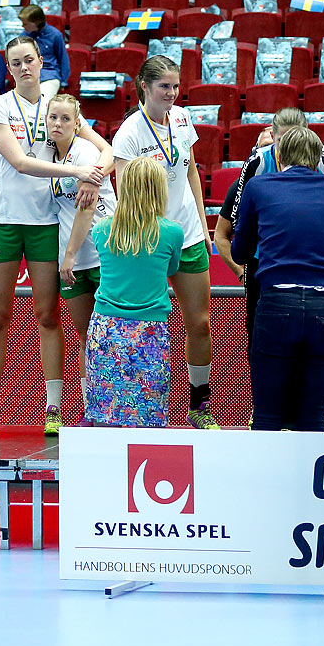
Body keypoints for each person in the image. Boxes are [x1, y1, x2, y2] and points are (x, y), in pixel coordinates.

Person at [0, 36, 113, 436]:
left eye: (30, 60)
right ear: (8, 68)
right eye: (16, 63)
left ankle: (54, 408)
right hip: (2, 220)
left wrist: (97, 174)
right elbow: (16, 162)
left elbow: (105, 149)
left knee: (48, 317)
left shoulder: (57, 106)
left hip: (45, 223)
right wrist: (76, 173)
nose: (24, 68)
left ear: (41, 61)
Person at [111, 55, 218, 428]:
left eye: (175, 86)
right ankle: (135, 406)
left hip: (186, 232)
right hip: (150, 237)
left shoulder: (183, 119)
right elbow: (125, 192)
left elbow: (190, 173)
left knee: (200, 323)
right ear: (144, 86)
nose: (171, 93)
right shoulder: (129, 133)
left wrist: (203, 226)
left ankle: (199, 405)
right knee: (146, 324)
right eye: (164, 87)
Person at [233, 126, 324, 431]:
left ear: (280, 154)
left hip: (276, 300)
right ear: (317, 159)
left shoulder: (259, 186)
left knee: (267, 412)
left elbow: (239, 252)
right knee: (314, 413)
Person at [83, 156, 184, 427]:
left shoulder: (103, 230)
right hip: (150, 333)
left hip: (106, 330)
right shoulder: (172, 232)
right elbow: (172, 268)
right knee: (148, 420)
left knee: (105, 417)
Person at [45, 93, 119, 419]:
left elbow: (86, 211)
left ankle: (116, 405)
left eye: (65, 118)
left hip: (102, 255)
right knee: (86, 335)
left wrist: (69, 256)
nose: (58, 124)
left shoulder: (87, 153)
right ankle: (93, 406)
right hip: (70, 254)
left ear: (78, 123)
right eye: (53, 118)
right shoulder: (47, 155)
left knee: (110, 331)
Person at [19, 4, 70, 98]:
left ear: (36, 22)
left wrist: (64, 81)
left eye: (25, 23)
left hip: (49, 76)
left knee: (42, 101)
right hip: (28, 76)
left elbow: (63, 58)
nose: (23, 26)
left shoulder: (55, 35)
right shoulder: (23, 37)